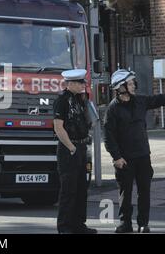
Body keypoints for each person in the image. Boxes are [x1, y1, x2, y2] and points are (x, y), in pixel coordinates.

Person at [104, 69, 165, 233]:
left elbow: (162, 99)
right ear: (121, 87)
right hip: (124, 159)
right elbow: (108, 137)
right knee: (125, 193)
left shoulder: (140, 101)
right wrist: (117, 157)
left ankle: (143, 223)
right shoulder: (112, 109)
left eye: (133, 83)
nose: (134, 86)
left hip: (143, 156)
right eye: (130, 83)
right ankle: (125, 223)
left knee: (144, 192)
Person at [53, 69, 97, 234]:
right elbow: (58, 127)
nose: (83, 85)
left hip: (83, 147)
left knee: (81, 189)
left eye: (83, 83)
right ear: (70, 83)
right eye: (80, 83)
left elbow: (89, 121)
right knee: (68, 190)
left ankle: (79, 225)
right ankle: (64, 226)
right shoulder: (62, 100)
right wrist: (71, 147)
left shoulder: (81, 99)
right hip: (68, 149)